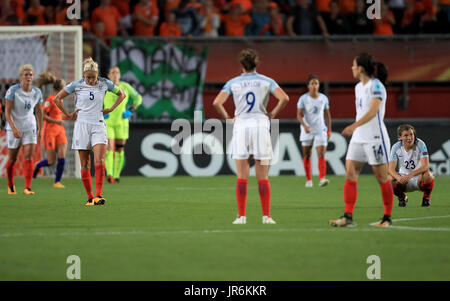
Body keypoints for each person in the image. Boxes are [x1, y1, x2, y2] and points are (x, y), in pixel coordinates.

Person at [213, 49, 289, 225]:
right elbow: (284, 98)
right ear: (257, 63)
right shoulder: (266, 81)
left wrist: (228, 119)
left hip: (242, 126)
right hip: (261, 125)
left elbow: (216, 102)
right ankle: (266, 216)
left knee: (242, 175)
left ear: (241, 65)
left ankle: (241, 217)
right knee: (262, 176)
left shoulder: (233, 83)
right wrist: (273, 114)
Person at [329, 53, 394, 227]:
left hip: (375, 138)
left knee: (382, 177)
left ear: (361, 68)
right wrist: (356, 129)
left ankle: (387, 218)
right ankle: (347, 217)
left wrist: (353, 126)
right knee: (350, 174)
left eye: (353, 65)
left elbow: (373, 112)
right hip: (359, 137)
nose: (351, 68)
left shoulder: (377, 86)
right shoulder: (358, 87)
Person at [53, 58, 125, 206]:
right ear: (84, 75)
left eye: (94, 77)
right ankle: (90, 197)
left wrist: (111, 109)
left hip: (98, 125)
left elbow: (121, 94)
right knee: (85, 163)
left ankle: (99, 195)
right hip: (82, 126)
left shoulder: (105, 83)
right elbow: (57, 99)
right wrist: (68, 114)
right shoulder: (77, 85)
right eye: (88, 77)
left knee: (100, 160)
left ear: (97, 74)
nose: (91, 80)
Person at [4, 64, 43, 195]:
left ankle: (27, 187)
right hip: (14, 128)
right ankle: (10, 185)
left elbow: (38, 111)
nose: (29, 77)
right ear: (21, 77)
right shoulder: (13, 91)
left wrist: (40, 128)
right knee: (12, 159)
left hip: (29, 127)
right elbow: (7, 112)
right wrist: (13, 128)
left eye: (31, 74)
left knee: (28, 157)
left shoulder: (37, 92)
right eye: (26, 74)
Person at [104, 66, 142, 184]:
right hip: (108, 122)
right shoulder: (104, 87)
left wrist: (131, 110)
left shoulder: (125, 87)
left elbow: (138, 98)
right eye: (113, 72)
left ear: (119, 75)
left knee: (120, 150)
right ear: (109, 76)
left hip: (121, 122)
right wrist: (101, 111)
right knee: (109, 149)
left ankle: (116, 175)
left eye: (117, 72)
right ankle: (109, 174)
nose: (115, 74)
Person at [32, 72, 69, 188]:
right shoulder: (51, 99)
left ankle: (57, 182)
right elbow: (43, 115)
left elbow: (60, 116)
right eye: (65, 87)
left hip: (60, 131)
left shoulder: (61, 100)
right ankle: (37, 166)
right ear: (60, 89)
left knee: (62, 155)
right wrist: (57, 121)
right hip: (50, 131)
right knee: (51, 161)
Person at [297, 74, 332, 188]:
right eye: (312, 83)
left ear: (319, 85)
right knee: (307, 155)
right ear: (308, 86)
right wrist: (304, 125)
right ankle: (309, 180)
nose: (314, 86)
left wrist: (329, 129)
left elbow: (327, 115)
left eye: (316, 83)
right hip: (307, 130)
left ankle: (322, 178)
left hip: (320, 129)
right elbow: (299, 114)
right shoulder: (303, 99)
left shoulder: (323, 98)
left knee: (321, 154)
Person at [389, 124, 435, 207]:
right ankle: (402, 198)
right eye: (406, 135)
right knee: (389, 179)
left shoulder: (420, 144)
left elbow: (425, 166)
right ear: (400, 137)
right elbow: (391, 169)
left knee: (428, 176)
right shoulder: (396, 147)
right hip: (404, 179)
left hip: (418, 178)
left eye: (411, 134)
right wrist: (399, 178)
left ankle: (426, 199)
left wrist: (411, 175)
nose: (409, 137)